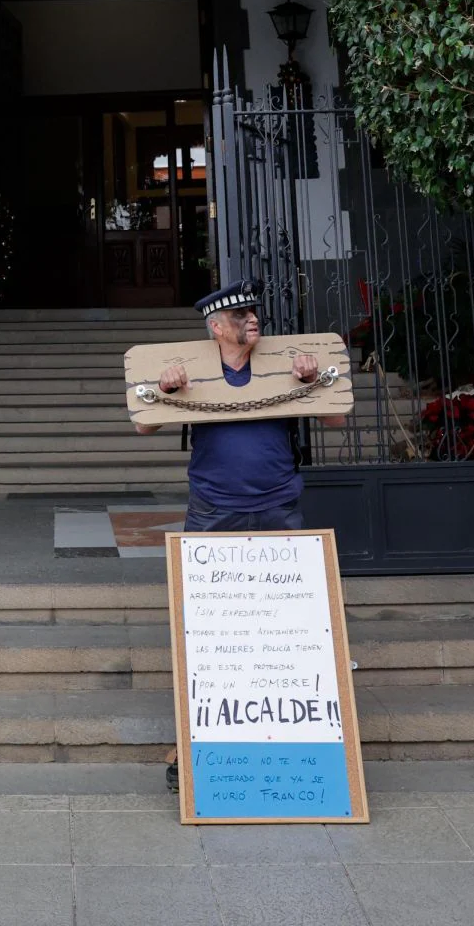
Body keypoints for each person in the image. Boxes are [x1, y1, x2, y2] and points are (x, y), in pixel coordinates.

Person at [134, 279, 345, 791]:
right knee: (206, 631)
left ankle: (293, 739)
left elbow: (337, 417)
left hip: (277, 505)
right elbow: (143, 424)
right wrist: (164, 388)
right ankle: (195, 745)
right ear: (216, 327)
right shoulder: (192, 370)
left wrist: (312, 382)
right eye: (243, 314)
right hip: (213, 510)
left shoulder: (286, 363)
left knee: (287, 625)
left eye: (256, 313)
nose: (254, 320)